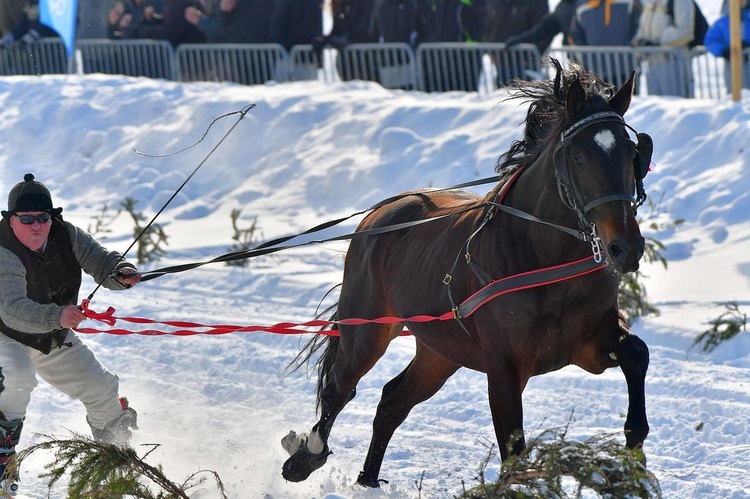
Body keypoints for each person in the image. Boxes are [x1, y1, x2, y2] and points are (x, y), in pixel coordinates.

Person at [0, 174, 141, 494]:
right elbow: (11, 309)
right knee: (18, 378)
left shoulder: (66, 234)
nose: (36, 225)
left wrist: (120, 272)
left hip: (49, 332)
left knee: (102, 388)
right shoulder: (2, 250)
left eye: (43, 218)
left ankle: (115, 462)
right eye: (26, 219)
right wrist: (58, 315)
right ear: (11, 221)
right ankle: (2, 461)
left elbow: (102, 260)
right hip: (4, 331)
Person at [567, 0, 643, 85]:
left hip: (626, 69)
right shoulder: (582, 5)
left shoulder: (630, 2)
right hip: (595, 72)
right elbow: (575, 35)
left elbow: (641, 26)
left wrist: (632, 49)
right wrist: (586, 58)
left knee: (629, 97)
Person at [631, 0, 695, 96]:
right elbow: (643, 28)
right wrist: (640, 40)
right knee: (656, 105)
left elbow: (685, 32)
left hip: (672, 63)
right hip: (652, 64)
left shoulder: (680, 2)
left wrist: (657, 42)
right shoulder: (651, 2)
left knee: (674, 104)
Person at [704, 0, 750, 92]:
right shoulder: (722, 22)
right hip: (732, 65)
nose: (740, 2)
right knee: (734, 91)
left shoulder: (748, 19)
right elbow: (710, 40)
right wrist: (723, 51)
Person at [503, 0, 576, 52]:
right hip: (577, 64)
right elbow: (545, 29)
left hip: (583, 61)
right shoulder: (565, 5)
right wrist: (520, 39)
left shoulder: (584, 5)